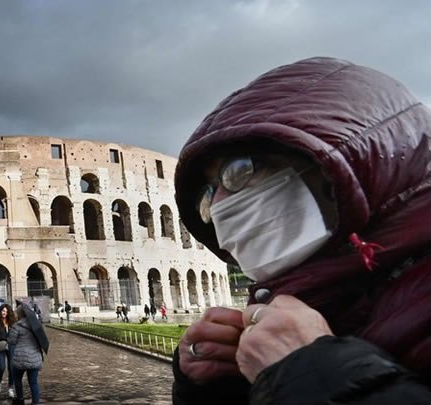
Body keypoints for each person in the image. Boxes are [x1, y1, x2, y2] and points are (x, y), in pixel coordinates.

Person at [171, 57, 431, 404]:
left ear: (343, 161)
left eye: (239, 169)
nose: (217, 205)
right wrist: (222, 387)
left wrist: (311, 372)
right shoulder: (321, 298)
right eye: (207, 193)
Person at [9, 305, 44, 405]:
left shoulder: (17, 326)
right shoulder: (36, 326)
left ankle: (20, 399)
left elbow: (11, 341)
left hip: (20, 358)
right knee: (33, 383)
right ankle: (36, 403)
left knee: (17, 379)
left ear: (19, 314)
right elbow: (41, 340)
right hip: (34, 358)